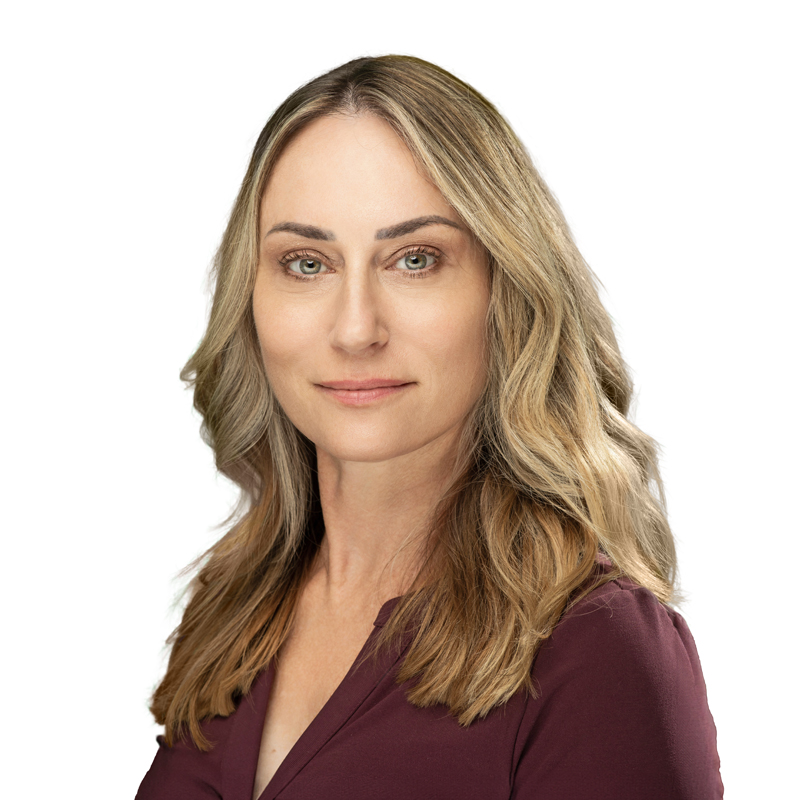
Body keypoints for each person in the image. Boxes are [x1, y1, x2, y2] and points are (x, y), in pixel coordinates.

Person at [136, 55, 723, 799]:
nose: (355, 329)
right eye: (306, 263)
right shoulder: (232, 607)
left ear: (506, 292)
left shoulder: (596, 649)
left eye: (415, 260)